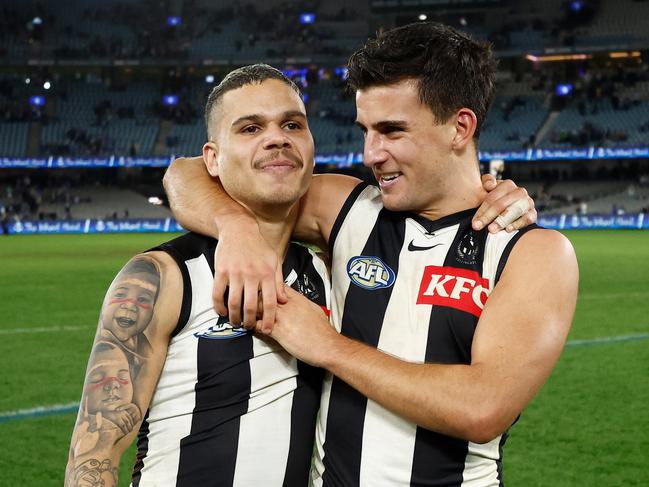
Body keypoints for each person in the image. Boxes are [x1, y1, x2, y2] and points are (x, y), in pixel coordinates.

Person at [164, 23, 577, 486]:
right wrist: (234, 226)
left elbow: (482, 408)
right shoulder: (346, 207)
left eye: (392, 131)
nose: (370, 153)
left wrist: (327, 347)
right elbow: (186, 173)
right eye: (366, 130)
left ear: (460, 127)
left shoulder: (532, 251)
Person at [66, 64, 332, 487]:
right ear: (212, 158)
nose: (277, 137)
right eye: (249, 129)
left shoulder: (327, 273)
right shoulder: (162, 276)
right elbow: (93, 456)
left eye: (292, 124)